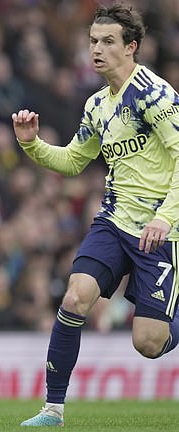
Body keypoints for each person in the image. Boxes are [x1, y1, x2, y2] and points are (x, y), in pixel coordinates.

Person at [12, 3, 179, 427]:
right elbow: (72, 161)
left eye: (107, 41)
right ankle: (53, 409)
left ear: (132, 47)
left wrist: (167, 217)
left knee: (149, 344)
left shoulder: (156, 96)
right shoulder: (96, 106)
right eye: (92, 41)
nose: (97, 49)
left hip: (160, 230)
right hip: (114, 220)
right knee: (74, 297)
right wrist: (32, 144)